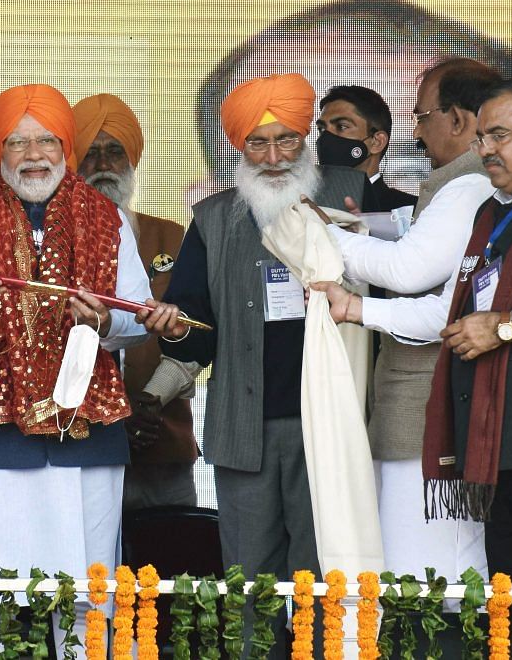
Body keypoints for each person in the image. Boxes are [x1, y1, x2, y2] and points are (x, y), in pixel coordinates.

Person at [320, 77, 512, 653]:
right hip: (500, 453)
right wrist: (357, 309)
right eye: (483, 135)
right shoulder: (499, 214)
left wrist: (510, 325)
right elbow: (452, 314)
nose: (485, 148)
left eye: (499, 135)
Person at [0, 83, 179, 657]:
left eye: (46, 141)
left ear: (66, 149)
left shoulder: (107, 219)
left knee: (87, 603)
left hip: (87, 444)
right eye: (17, 143)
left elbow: (134, 323)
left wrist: (105, 322)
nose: (33, 155)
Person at [144, 73, 367, 657]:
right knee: (249, 583)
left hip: (331, 428)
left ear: (307, 139)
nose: (273, 157)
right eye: (258, 145)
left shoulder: (349, 192)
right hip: (244, 431)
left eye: (286, 140)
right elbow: (193, 325)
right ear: (239, 149)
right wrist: (154, 394)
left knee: (326, 580)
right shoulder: (215, 218)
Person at [314, 59, 500, 585]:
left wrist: (319, 231)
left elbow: (410, 270)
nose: (414, 132)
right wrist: (364, 232)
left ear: (460, 120)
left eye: (421, 117)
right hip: (420, 411)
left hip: (429, 412)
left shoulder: (467, 186)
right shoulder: (460, 185)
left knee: (423, 580)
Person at [193, 0, 512, 203]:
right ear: (206, 195)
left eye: (410, 165)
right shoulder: (212, 231)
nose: (330, 183)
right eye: (285, 167)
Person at [72, 92, 198, 511]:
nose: (103, 166)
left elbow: (195, 332)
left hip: (164, 440)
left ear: (132, 161)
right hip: (80, 446)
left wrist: (149, 402)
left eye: (115, 152)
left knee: (174, 565)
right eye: (90, 154)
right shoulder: (54, 243)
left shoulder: (171, 237)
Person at [316, 85, 416, 211]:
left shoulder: (410, 210)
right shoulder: (306, 205)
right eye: (322, 129)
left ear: (377, 142)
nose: (326, 138)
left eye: (342, 127)